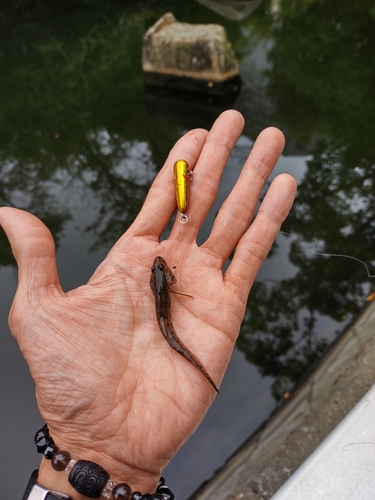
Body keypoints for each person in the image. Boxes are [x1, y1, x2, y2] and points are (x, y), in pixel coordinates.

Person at [0, 110, 297, 499]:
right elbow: (162, 281)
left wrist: (90, 458)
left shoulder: (160, 279)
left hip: (162, 302)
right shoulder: (161, 278)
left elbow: (161, 283)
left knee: (169, 327)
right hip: (161, 303)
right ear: (162, 273)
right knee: (169, 330)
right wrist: (103, 452)